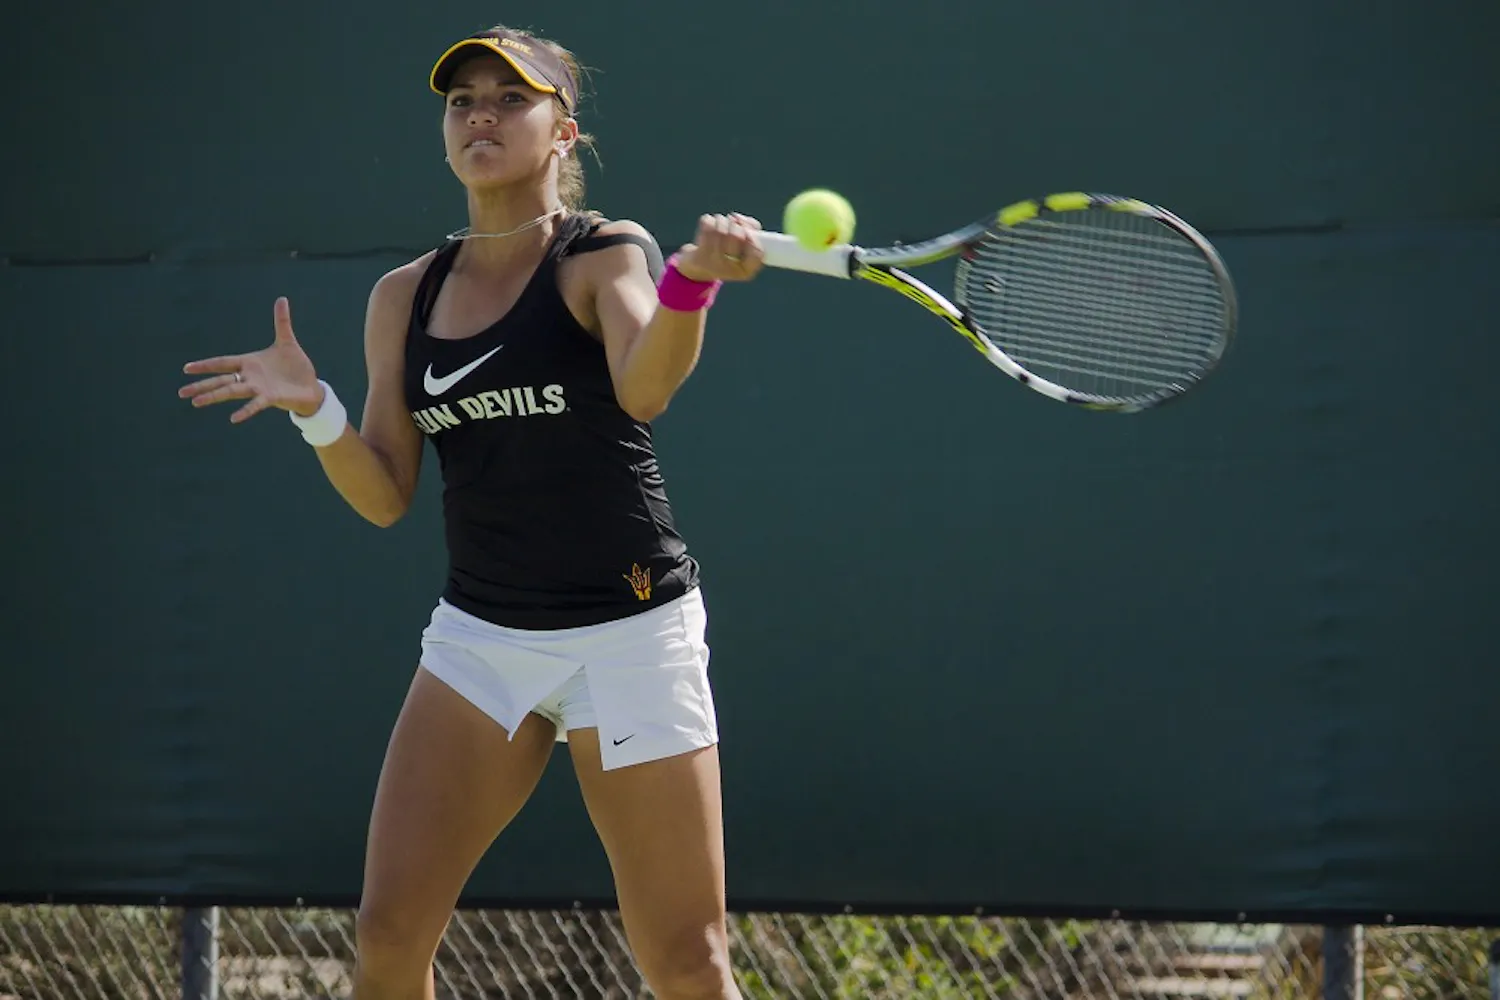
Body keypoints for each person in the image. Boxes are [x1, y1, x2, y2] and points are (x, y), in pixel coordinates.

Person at [178, 23, 763, 1000]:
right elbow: (384, 493)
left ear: (562, 134)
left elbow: (646, 385)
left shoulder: (604, 254)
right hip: (481, 639)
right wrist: (315, 408)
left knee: (688, 962)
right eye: (464, 101)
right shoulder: (402, 296)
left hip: (631, 634)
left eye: (510, 98)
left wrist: (689, 285)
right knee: (389, 933)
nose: (481, 115)